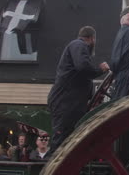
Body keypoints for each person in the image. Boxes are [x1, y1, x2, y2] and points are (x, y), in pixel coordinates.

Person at [47, 26, 110, 155]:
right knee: (61, 139)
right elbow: (82, 67)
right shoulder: (79, 44)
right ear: (92, 39)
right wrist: (100, 70)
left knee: (67, 139)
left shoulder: (76, 46)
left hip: (69, 102)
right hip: (66, 102)